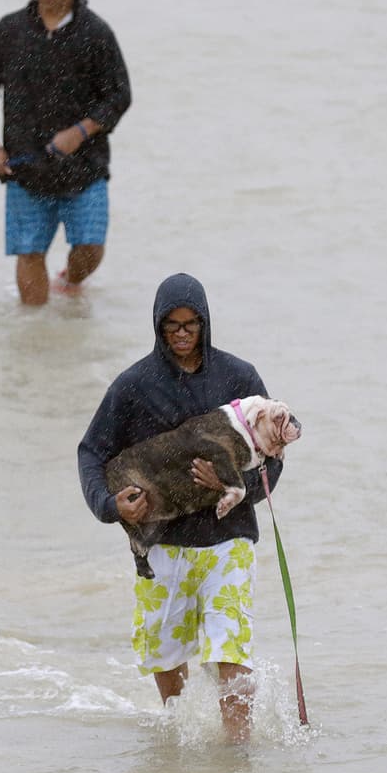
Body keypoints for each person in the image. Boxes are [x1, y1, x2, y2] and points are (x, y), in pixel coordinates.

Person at [77, 273, 286, 743]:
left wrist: (240, 486)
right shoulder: (133, 385)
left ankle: (238, 756)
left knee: (230, 645)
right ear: (157, 326)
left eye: (192, 324)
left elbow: (275, 455)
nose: (182, 333)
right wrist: (111, 506)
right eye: (171, 325)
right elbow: (91, 452)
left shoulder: (239, 377)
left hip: (229, 538)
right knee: (165, 652)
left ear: (206, 323)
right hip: (161, 546)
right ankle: (175, 743)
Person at [0, 0, 131, 305]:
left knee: (90, 246)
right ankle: (33, 337)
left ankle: (72, 282)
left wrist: (81, 131)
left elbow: (120, 97)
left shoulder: (96, 34)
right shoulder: (11, 30)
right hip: (24, 168)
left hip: (85, 167)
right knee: (29, 253)